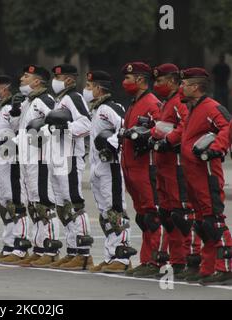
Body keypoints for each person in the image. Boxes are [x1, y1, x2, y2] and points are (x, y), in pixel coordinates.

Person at [179, 67, 232, 285]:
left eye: (184, 84)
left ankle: (227, 267)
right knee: (201, 222)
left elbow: (227, 126)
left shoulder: (211, 107)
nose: (181, 87)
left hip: (206, 171)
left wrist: (216, 149)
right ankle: (209, 267)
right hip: (191, 172)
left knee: (214, 220)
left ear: (195, 86)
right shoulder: (193, 108)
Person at [150, 64, 202, 278]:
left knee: (183, 214)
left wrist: (169, 139)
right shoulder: (166, 103)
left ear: (171, 82)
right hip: (163, 165)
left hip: (176, 164)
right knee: (168, 215)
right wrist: (151, 133)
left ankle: (194, 260)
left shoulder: (179, 102)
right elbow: (163, 126)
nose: (156, 85)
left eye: (159, 81)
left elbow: (185, 125)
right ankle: (177, 260)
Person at [8, 65, 61, 268]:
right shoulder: (29, 102)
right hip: (26, 159)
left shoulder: (45, 101)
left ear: (37, 81)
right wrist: (14, 110)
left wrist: (44, 136)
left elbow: (59, 124)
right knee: (33, 204)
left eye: (26, 76)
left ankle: (51, 248)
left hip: (40, 158)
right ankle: (39, 248)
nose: (21, 78)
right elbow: (17, 129)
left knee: (45, 203)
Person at [120, 62, 167, 278]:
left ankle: (158, 260)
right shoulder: (134, 103)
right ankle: (147, 259)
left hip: (145, 166)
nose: (124, 82)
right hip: (131, 167)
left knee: (152, 215)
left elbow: (165, 129)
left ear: (139, 80)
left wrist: (147, 133)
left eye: (128, 79)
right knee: (142, 216)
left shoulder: (153, 103)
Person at [84, 70, 134, 273]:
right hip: (97, 167)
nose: (87, 90)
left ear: (98, 88)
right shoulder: (95, 110)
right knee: (105, 213)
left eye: (89, 86)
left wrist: (111, 144)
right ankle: (111, 255)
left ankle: (121, 257)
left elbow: (124, 127)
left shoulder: (109, 108)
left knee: (115, 210)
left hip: (110, 166)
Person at [47, 64, 93, 270]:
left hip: (71, 157)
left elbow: (86, 122)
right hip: (58, 156)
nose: (55, 81)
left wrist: (66, 127)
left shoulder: (73, 98)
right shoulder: (60, 100)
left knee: (75, 204)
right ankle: (72, 249)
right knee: (63, 205)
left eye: (59, 77)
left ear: (68, 80)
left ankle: (84, 254)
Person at [0, 75, 31, 264]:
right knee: (5, 205)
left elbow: (17, 127)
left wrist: (16, 110)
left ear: (5, 90)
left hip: (11, 161)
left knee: (15, 204)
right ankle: (8, 245)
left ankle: (20, 246)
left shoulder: (9, 108)